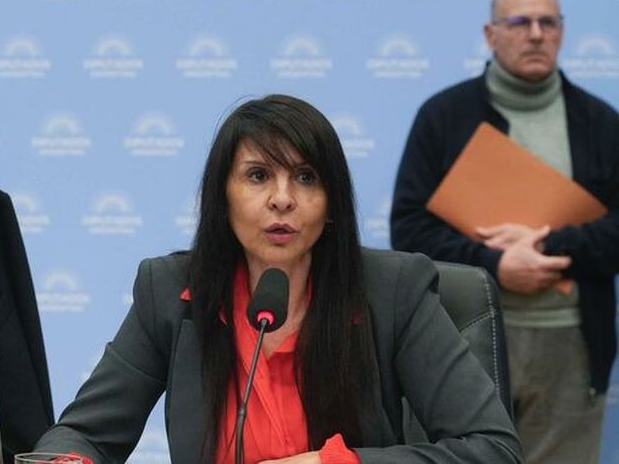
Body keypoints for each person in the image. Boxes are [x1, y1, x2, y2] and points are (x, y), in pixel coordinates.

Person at [36, 95, 521, 464]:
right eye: (258, 176)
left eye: (306, 177)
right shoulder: (170, 291)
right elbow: (84, 434)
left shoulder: (393, 290)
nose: (282, 199)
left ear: (331, 203)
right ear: (222, 197)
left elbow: (493, 448)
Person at [391, 0, 619, 463]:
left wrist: (550, 244)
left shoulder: (601, 123)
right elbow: (408, 230)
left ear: (561, 32)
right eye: (519, 22)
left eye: (548, 22)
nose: (535, 34)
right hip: (464, 334)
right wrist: (496, 264)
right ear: (490, 33)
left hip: (571, 346)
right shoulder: (443, 116)